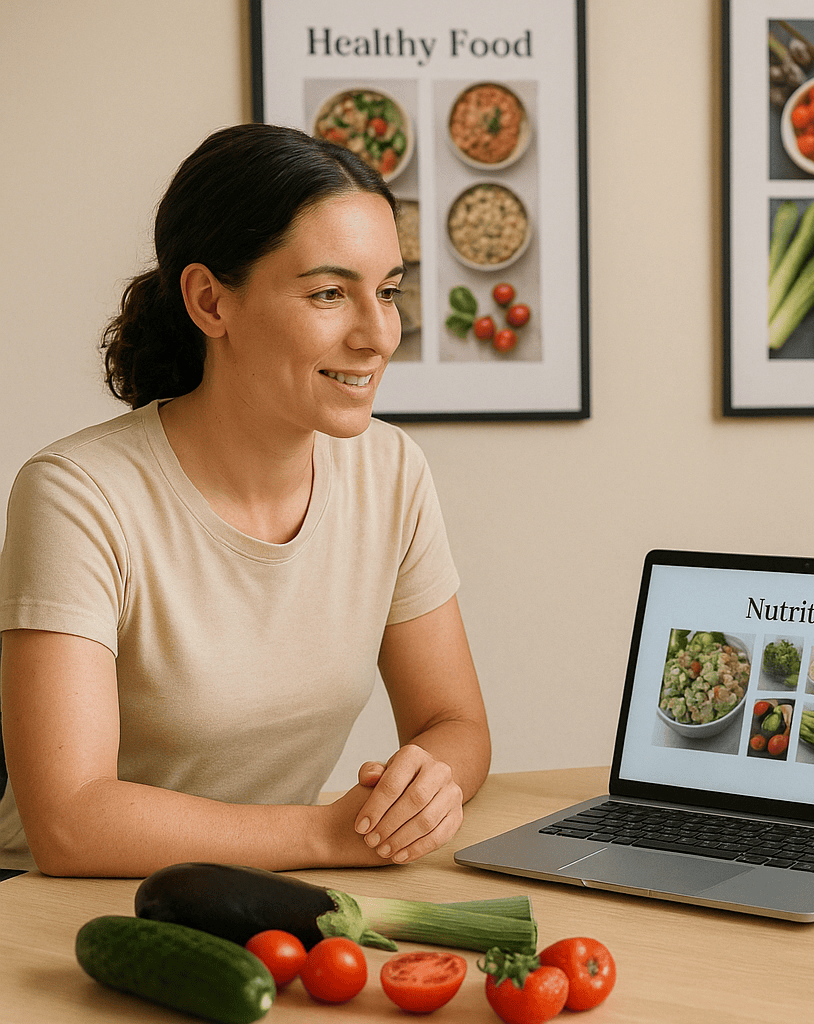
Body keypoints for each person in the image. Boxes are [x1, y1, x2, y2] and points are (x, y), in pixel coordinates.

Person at [0, 123, 491, 877]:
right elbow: (69, 823)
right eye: (330, 293)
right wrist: (324, 837)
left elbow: (452, 723)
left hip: (265, 900)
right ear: (210, 302)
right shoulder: (77, 495)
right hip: (58, 915)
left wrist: (423, 785)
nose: (379, 335)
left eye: (388, 292)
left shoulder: (390, 469)